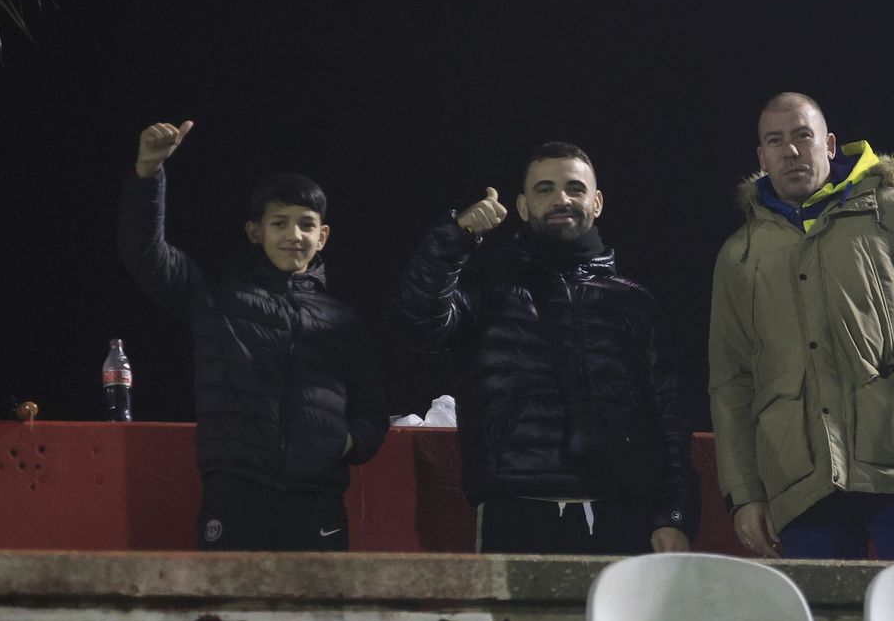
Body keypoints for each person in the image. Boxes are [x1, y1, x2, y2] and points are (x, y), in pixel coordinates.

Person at [709, 93, 894, 560]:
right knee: (827, 610)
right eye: (775, 141)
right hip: (801, 481)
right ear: (761, 157)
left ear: (830, 144)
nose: (790, 151)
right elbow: (730, 382)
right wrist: (744, 493)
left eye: (803, 135)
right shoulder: (740, 255)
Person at [389, 142, 699, 554]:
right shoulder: (487, 289)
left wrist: (673, 514)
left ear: (597, 202)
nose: (561, 199)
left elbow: (670, 417)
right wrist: (456, 237)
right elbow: (417, 321)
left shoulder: (634, 303)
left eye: (575, 188)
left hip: (621, 514)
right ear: (522, 205)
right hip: (515, 510)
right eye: (545, 189)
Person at [118, 120, 389, 551]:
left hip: (317, 498)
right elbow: (145, 254)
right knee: (228, 599)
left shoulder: (343, 321)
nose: (294, 235)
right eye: (279, 223)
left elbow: (372, 410)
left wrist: (344, 443)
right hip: (236, 491)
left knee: (317, 601)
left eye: (306, 224)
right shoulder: (216, 295)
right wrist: (149, 173)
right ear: (255, 232)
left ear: (323, 236)